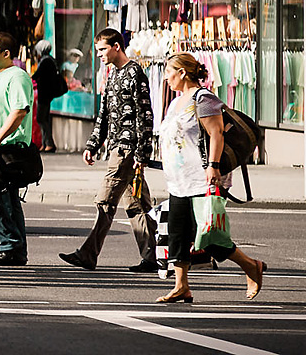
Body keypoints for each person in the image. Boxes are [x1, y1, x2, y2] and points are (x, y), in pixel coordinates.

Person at [155, 53, 265, 303]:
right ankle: (181, 286)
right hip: (179, 180)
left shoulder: (202, 99)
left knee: (209, 235)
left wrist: (214, 166)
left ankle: (250, 266)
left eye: (169, 71)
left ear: (182, 72)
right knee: (178, 234)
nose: (166, 77)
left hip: (202, 179)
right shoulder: (176, 102)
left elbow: (216, 134)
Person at [60, 28, 158, 272]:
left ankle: (88, 254)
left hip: (127, 149)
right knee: (136, 204)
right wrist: (93, 144)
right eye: (98, 50)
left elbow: (145, 114)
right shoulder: (111, 75)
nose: (100, 55)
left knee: (105, 201)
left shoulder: (134, 72)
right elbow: (104, 114)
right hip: (116, 146)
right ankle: (153, 256)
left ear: (117, 46)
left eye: (103, 49)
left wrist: (143, 154)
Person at [0, 32, 33, 266]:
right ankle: (16, 251)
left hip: (10, 148)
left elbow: (19, 111)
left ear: (6, 53)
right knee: (8, 199)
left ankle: (10, 244)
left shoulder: (17, 76)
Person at [32, 40, 62, 152]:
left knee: (41, 118)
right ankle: (45, 144)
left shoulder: (45, 61)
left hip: (44, 94)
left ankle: (49, 143)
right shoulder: (50, 60)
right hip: (47, 94)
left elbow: (37, 75)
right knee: (44, 119)